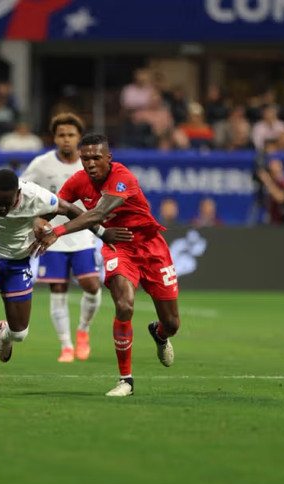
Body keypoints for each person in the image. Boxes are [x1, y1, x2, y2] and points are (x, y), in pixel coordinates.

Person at [0, 168, 130, 398]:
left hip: (18, 261)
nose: (1, 208)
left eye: (6, 202)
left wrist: (101, 232)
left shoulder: (36, 197)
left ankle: (5, 334)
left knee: (20, 333)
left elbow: (70, 209)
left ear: (18, 193)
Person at [35, 134, 179, 397]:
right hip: (119, 248)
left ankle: (159, 334)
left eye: (96, 158)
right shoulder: (78, 181)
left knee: (172, 323)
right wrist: (37, 222)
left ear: (108, 158)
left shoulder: (123, 178)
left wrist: (57, 232)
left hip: (151, 247)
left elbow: (98, 213)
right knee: (124, 305)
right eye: (86, 158)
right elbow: (58, 205)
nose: (90, 164)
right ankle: (126, 380)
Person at [20, 113, 102, 363]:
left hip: (83, 236)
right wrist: (34, 219)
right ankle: (66, 345)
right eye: (61, 135)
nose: (66, 139)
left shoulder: (88, 164)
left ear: (79, 138)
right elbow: (22, 189)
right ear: (54, 138)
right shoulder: (41, 164)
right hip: (52, 238)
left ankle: (83, 331)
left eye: (71, 135)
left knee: (92, 285)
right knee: (58, 289)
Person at [257, 158, 284, 226]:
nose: (275, 174)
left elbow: (280, 198)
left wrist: (267, 181)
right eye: (272, 171)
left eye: (277, 171)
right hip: (274, 223)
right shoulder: (273, 184)